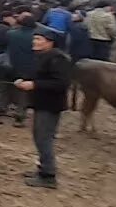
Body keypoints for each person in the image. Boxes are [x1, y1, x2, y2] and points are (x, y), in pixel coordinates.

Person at [18, 26, 71, 189]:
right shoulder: (42, 56)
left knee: (44, 139)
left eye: (39, 39)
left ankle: (48, 176)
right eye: (34, 38)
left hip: (50, 105)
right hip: (41, 103)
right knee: (39, 137)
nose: (35, 41)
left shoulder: (58, 58)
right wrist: (24, 81)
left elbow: (61, 84)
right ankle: (42, 168)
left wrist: (34, 84)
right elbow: (39, 75)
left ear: (50, 43)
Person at [4, 15, 37, 127]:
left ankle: (13, 109)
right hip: (32, 67)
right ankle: (22, 115)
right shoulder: (36, 37)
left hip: (13, 66)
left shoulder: (11, 34)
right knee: (28, 91)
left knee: (15, 88)